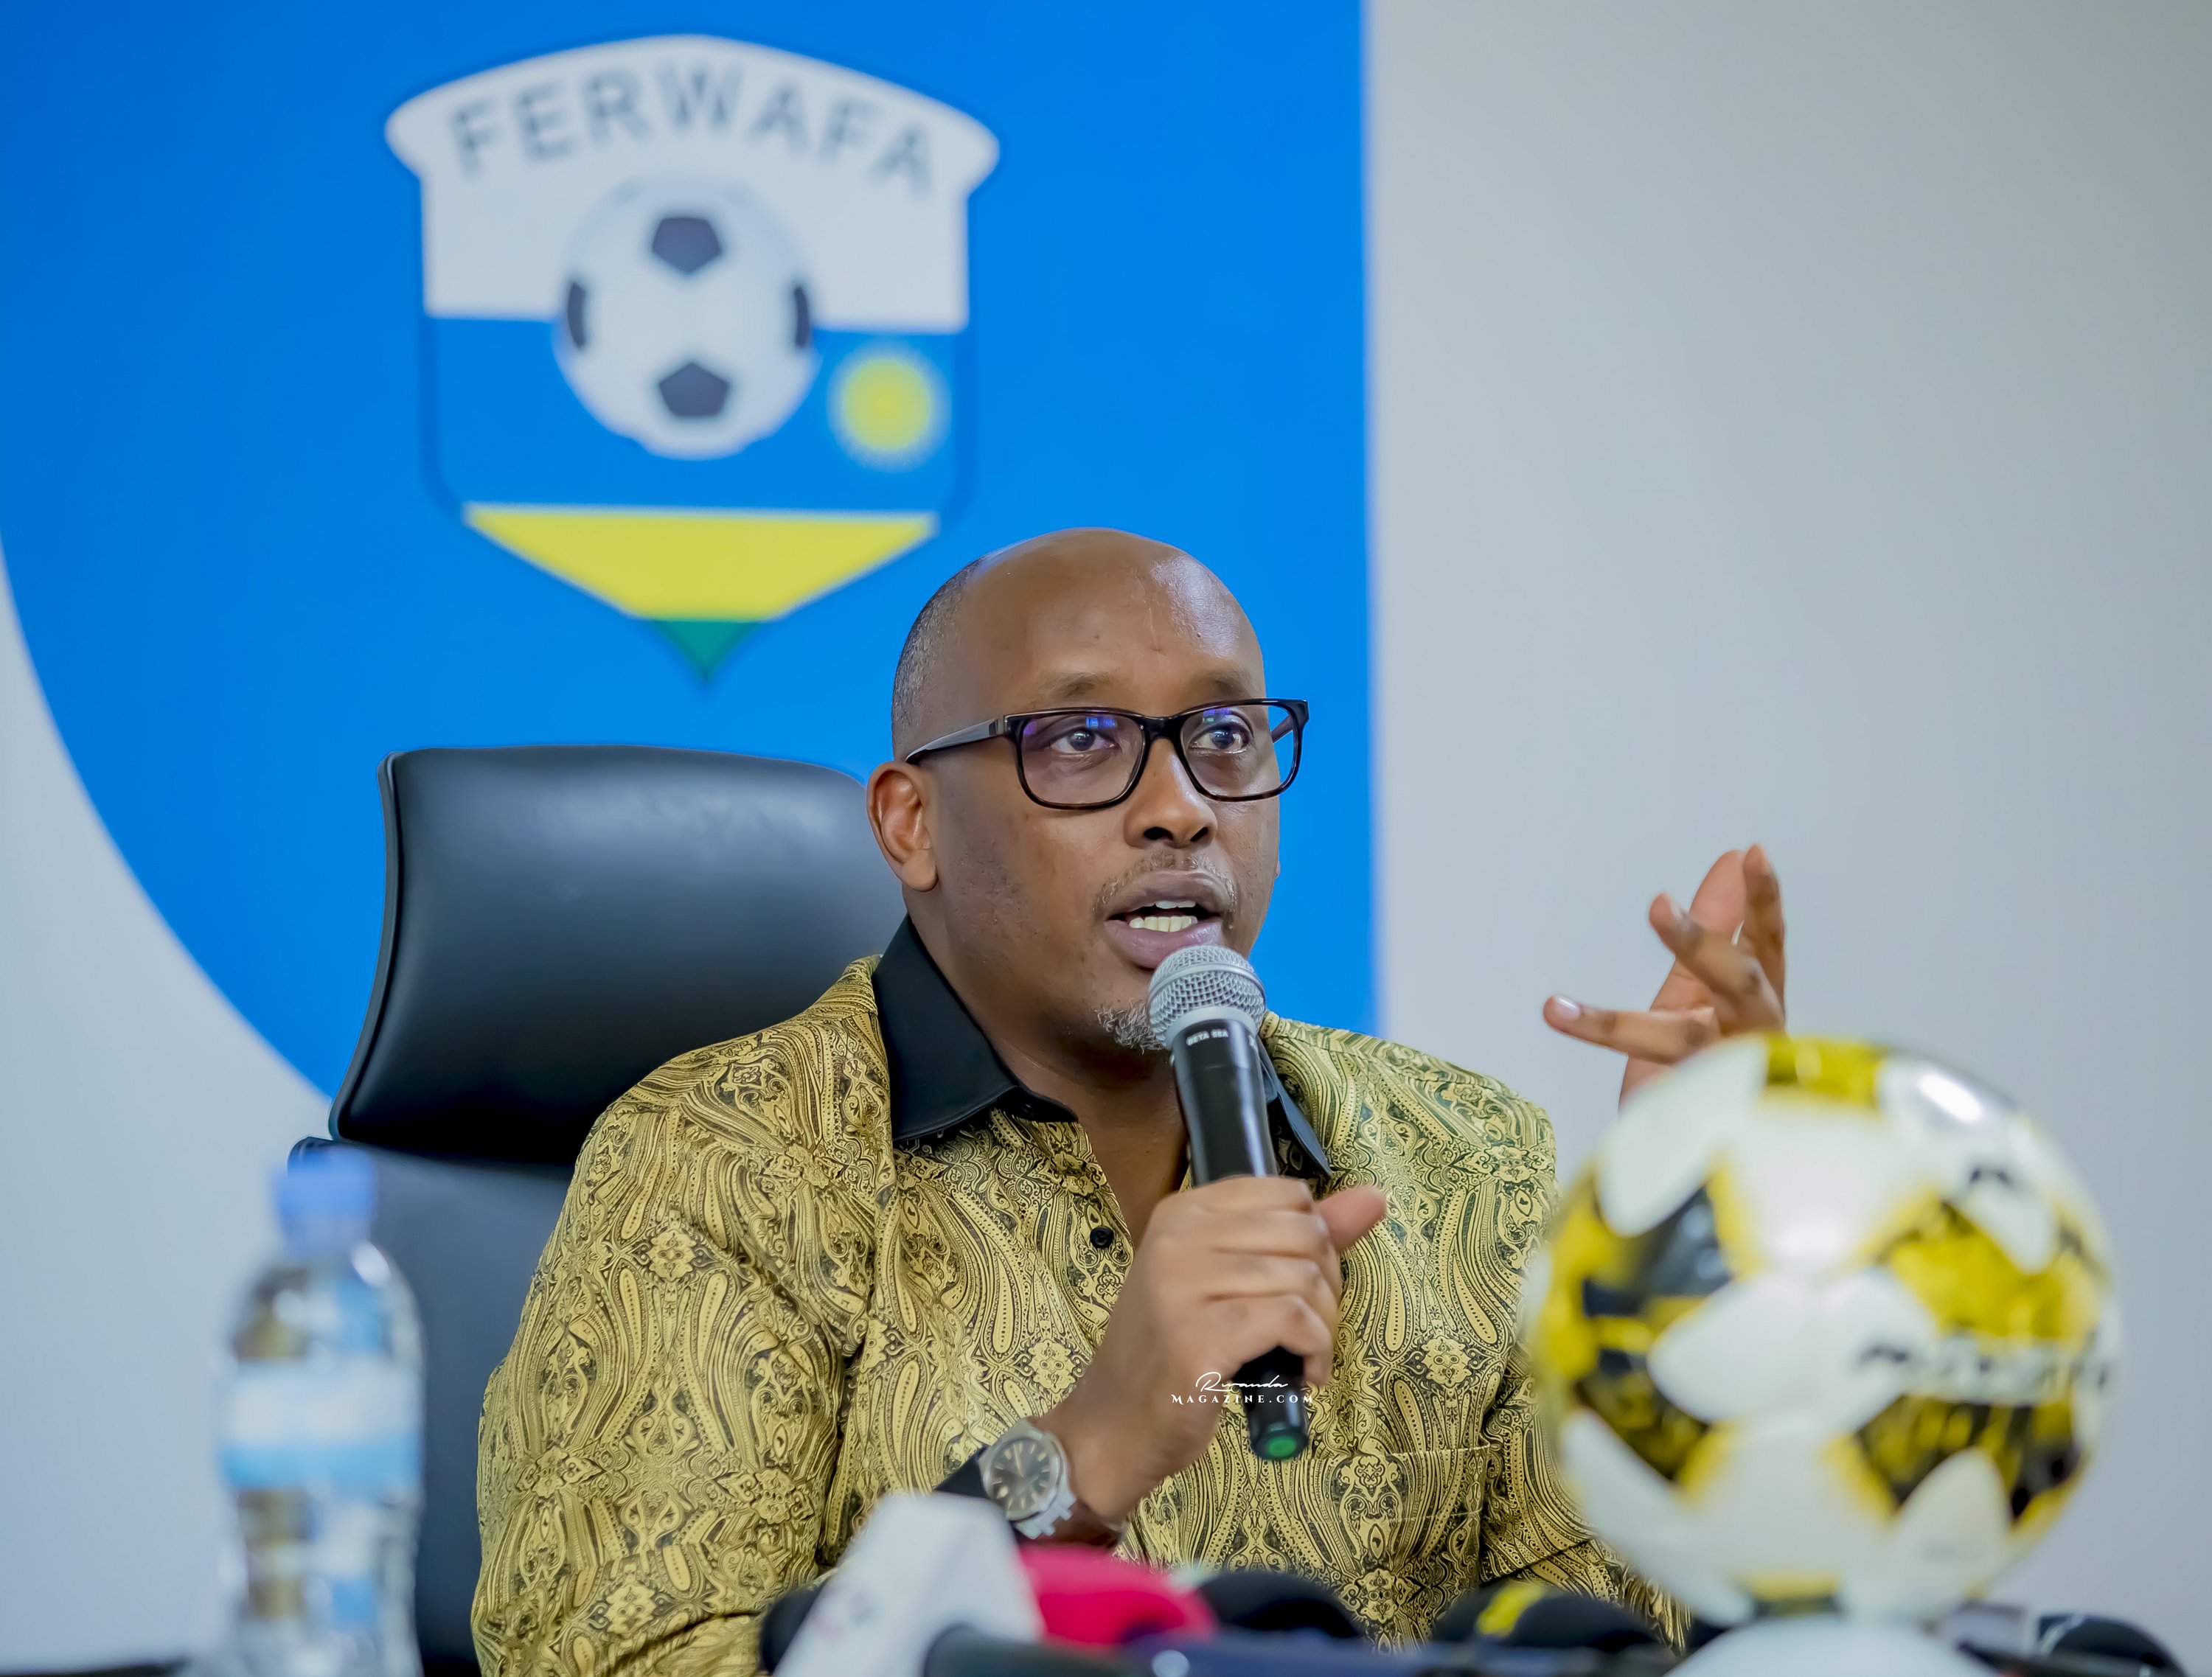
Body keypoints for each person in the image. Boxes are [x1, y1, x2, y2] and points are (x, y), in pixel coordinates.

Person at [471, 529, 1788, 1674]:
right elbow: (615, 1659)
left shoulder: (1468, 1160)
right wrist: (1080, 1458)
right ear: (911, 824)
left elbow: (1610, 1641)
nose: (1180, 809)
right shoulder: (717, 1165)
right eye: (1081, 740)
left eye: (1224, 736)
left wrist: (1689, 1254)